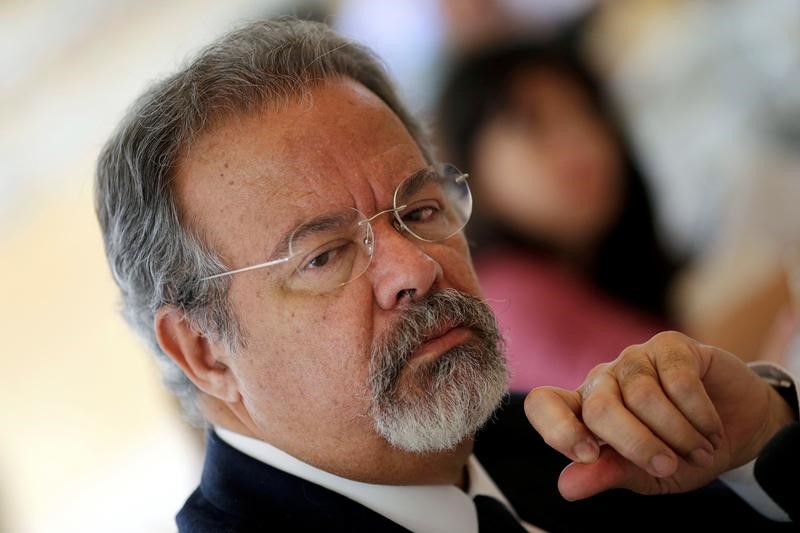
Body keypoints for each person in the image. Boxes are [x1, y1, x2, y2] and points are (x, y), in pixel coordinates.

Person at [95, 17, 797, 531]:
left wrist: (763, 447)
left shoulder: (556, 439)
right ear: (204, 350)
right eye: (324, 255)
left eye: (420, 208)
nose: (416, 267)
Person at [436, 36, 680, 391]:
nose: (580, 141)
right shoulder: (507, 305)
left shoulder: (593, 261)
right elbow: (676, 397)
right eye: (533, 124)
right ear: (470, 168)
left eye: (586, 113)